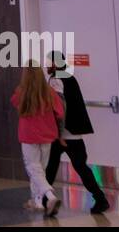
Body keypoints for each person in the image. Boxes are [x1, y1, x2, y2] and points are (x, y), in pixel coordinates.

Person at [45, 53, 109, 214]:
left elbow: (60, 107)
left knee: (51, 167)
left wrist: (58, 133)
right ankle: (100, 199)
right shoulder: (70, 77)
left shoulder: (55, 79)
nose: (46, 65)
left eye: (48, 62)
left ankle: (46, 201)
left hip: (62, 134)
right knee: (81, 167)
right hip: (75, 133)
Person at [11, 62, 64, 218]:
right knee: (40, 169)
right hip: (47, 135)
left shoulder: (21, 93)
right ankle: (38, 202)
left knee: (33, 168)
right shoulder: (50, 92)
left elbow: (14, 102)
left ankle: (51, 196)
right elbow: (60, 112)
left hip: (28, 136)